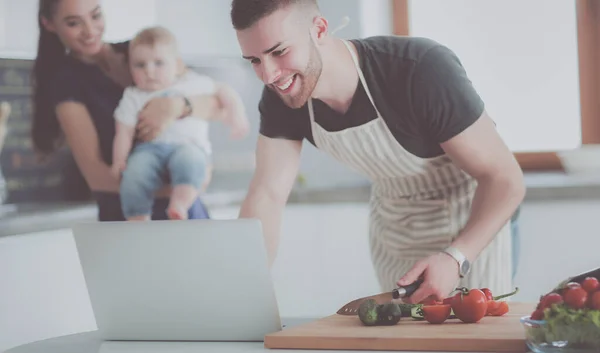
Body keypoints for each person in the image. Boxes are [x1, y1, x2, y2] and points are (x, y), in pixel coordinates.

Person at [230, 0, 526, 304]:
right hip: (396, 229)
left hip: (472, 223)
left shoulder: (420, 69)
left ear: (318, 29)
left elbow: (505, 179)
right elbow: (267, 194)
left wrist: (456, 257)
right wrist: (239, 283)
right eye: (254, 60)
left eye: (279, 52)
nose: (268, 75)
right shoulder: (283, 94)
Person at [31, 0, 228, 221]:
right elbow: (97, 176)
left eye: (95, 16)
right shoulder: (65, 82)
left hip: (187, 210)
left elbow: (218, 107)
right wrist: (182, 188)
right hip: (130, 215)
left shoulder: (139, 50)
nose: (89, 31)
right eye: (73, 23)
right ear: (49, 24)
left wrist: (176, 106)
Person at [111, 26, 249, 221]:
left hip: (188, 146)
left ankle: (180, 205)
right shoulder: (133, 95)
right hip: (149, 150)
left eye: (158, 63)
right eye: (140, 65)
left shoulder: (191, 83)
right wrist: (119, 160)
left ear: (177, 65)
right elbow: (123, 131)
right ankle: (137, 218)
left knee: (191, 162)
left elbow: (223, 90)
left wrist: (238, 115)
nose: (149, 71)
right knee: (133, 174)